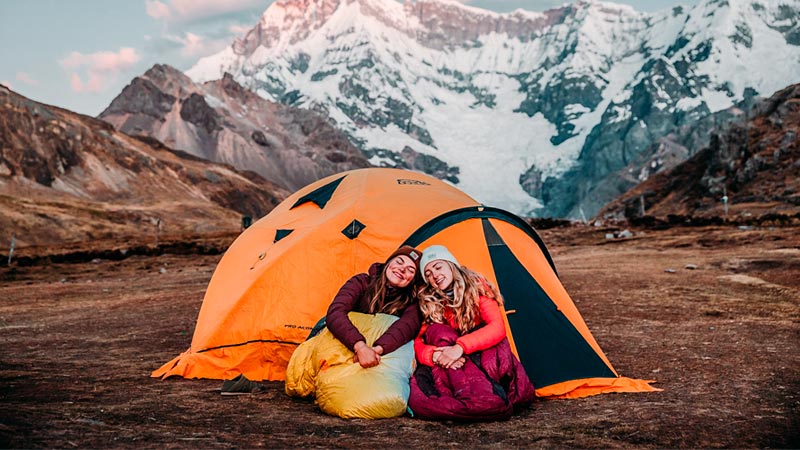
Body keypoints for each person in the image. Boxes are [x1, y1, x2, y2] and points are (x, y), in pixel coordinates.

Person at [408, 245, 535, 421]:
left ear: (451, 266)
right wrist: (434, 356)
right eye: (428, 274)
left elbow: (497, 327)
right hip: (448, 360)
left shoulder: (477, 288)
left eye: (438, 267)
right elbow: (418, 342)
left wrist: (460, 347)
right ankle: (472, 400)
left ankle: (480, 397)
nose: (434, 276)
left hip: (477, 353)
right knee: (437, 332)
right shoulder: (430, 302)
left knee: (494, 346)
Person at [325, 245, 423, 368]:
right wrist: (360, 347)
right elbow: (336, 312)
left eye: (411, 270)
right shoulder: (362, 281)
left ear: (413, 280)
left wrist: (375, 350)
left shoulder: (412, 301)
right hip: (346, 341)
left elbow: (407, 326)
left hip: (377, 353)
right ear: (388, 263)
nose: (402, 269)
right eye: (399, 262)